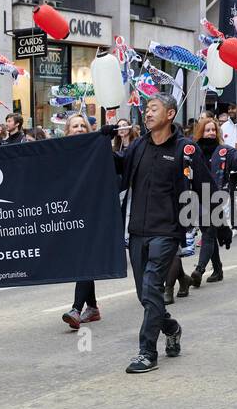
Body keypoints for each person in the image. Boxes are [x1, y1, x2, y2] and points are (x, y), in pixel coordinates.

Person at [110, 94, 215, 373]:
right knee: (145, 296)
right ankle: (171, 327)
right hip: (137, 231)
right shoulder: (138, 146)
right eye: (145, 109)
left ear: (170, 114)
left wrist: (215, 223)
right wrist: (101, 144)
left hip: (167, 230)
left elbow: (207, 186)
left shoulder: (185, 149)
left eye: (153, 109)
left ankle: (147, 352)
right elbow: (118, 169)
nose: (147, 113)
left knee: (152, 286)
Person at [188, 116, 237, 287]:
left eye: (213, 130)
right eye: (207, 130)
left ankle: (199, 270)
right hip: (197, 198)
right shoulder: (192, 151)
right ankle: (218, 269)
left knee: (208, 233)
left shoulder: (225, 151)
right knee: (209, 232)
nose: (210, 133)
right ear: (200, 131)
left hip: (218, 198)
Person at [60, 115, 105, 327]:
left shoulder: (95, 151)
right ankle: (93, 307)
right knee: (81, 258)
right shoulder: (59, 151)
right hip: (69, 212)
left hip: (91, 210)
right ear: (67, 130)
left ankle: (77, 309)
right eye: (74, 126)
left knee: (84, 258)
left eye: (82, 126)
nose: (79, 129)